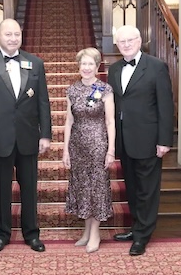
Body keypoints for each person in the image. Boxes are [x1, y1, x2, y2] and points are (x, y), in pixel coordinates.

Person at [0, 18, 52, 253]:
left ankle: (31, 234)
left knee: (29, 189)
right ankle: (2, 235)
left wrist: (45, 134)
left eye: (17, 34)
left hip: (28, 137)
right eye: (8, 34)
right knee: (0, 189)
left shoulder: (35, 63)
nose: (13, 38)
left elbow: (43, 102)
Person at [107, 25, 174, 256]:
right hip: (124, 140)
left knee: (147, 189)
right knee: (133, 188)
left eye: (130, 40)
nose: (126, 44)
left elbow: (166, 106)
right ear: (117, 44)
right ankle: (136, 228)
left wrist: (164, 140)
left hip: (148, 139)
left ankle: (143, 236)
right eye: (121, 41)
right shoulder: (114, 69)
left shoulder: (156, 67)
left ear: (139, 40)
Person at [62, 47, 115, 253]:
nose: (86, 67)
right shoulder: (72, 90)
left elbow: (110, 122)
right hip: (77, 145)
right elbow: (68, 121)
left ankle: (96, 234)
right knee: (83, 187)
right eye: (83, 64)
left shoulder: (104, 89)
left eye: (90, 64)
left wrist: (111, 150)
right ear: (78, 66)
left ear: (97, 66)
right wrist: (65, 150)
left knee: (96, 188)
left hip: (97, 144)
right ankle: (86, 232)